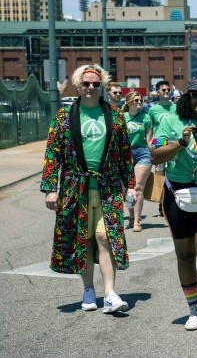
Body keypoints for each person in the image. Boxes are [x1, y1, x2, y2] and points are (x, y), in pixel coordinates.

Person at [41, 64, 135, 314]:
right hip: (75, 187)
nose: (91, 87)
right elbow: (53, 153)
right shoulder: (63, 117)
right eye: (86, 83)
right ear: (77, 86)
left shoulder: (115, 116)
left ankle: (111, 294)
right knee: (84, 240)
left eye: (95, 83)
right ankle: (88, 290)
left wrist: (131, 186)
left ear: (102, 85)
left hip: (109, 186)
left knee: (106, 237)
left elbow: (125, 154)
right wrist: (51, 188)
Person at [150, 76, 197, 334]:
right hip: (177, 192)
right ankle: (193, 310)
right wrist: (181, 143)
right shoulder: (171, 121)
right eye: (195, 94)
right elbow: (155, 154)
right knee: (184, 255)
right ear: (188, 98)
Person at [122, 91, 153, 232]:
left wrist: (155, 155)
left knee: (138, 188)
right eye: (136, 100)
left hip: (142, 153)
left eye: (141, 100)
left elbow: (149, 140)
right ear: (128, 102)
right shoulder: (122, 118)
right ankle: (130, 215)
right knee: (126, 189)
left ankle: (137, 221)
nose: (139, 103)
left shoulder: (146, 117)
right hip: (125, 154)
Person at [148, 80, 177, 216]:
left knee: (173, 171)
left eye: (168, 90)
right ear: (158, 92)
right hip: (160, 143)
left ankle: (173, 200)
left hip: (174, 143)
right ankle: (161, 203)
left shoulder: (176, 107)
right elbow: (150, 128)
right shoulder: (153, 109)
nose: (166, 92)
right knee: (160, 174)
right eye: (163, 90)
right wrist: (150, 144)